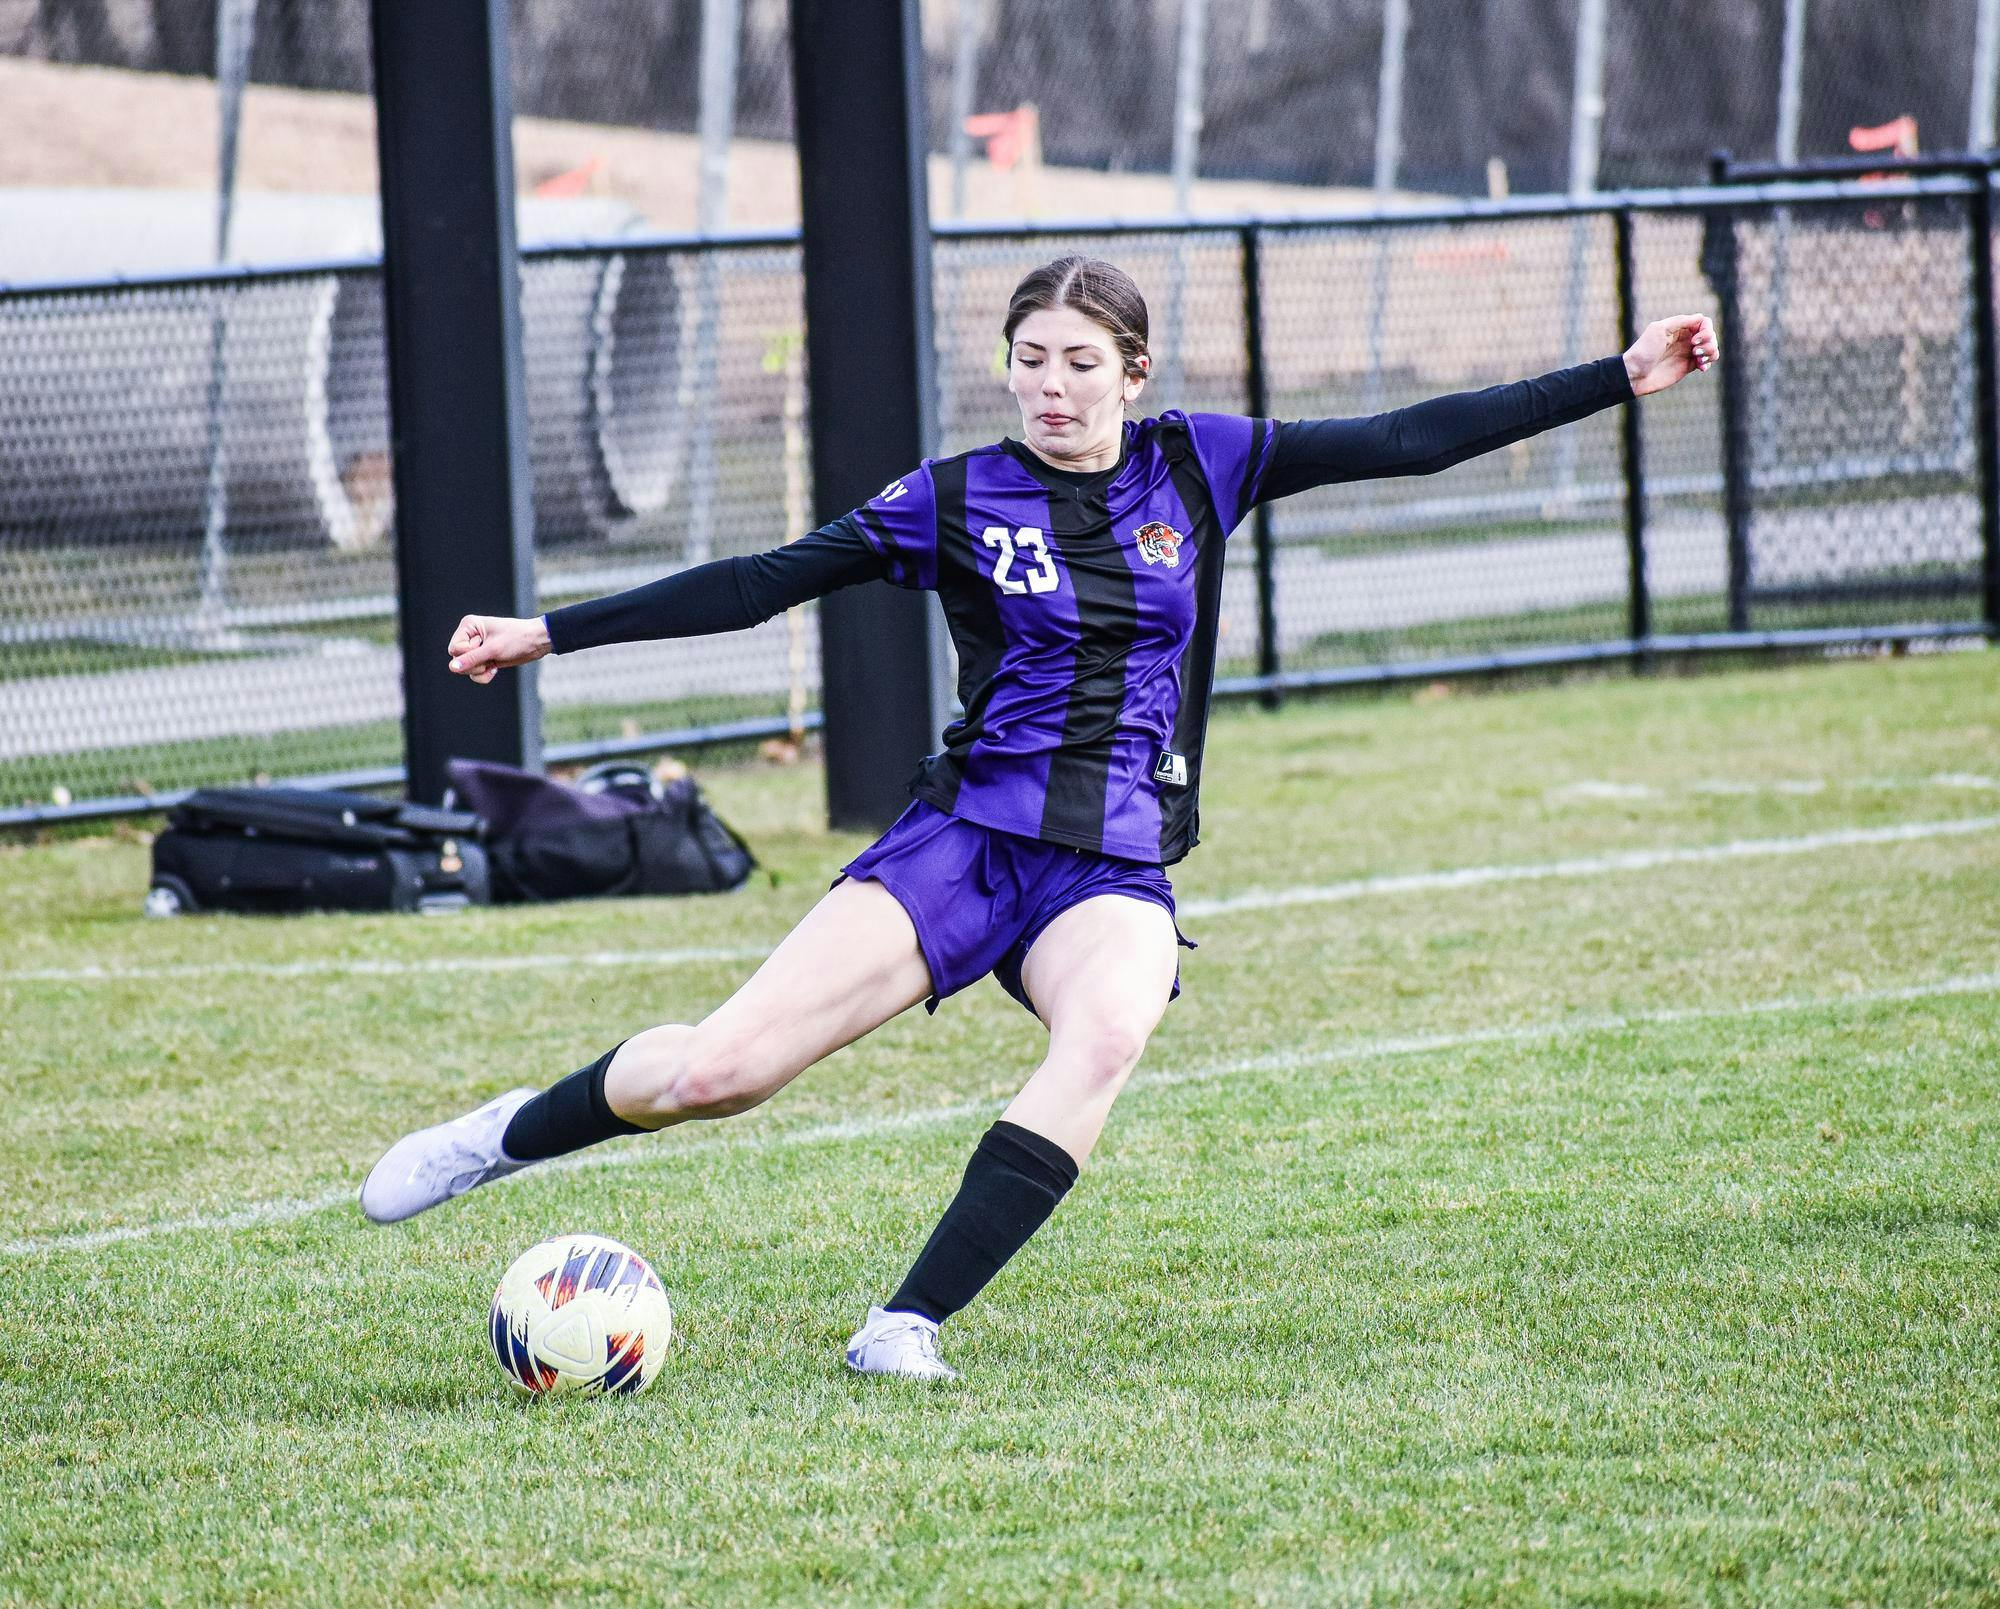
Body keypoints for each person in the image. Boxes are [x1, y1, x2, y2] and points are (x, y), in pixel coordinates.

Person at [362, 255, 1718, 1380]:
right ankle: (499, 1138)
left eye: (1081, 361)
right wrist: (550, 631)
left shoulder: (1205, 463)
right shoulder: (954, 494)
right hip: (965, 842)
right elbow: (760, 581)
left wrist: (1620, 374)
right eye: (1031, 358)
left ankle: (904, 1324)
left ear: (1133, 371)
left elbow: (1413, 442)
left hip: (1113, 857)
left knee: (1113, 1025)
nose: (1052, 385)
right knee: (719, 1073)